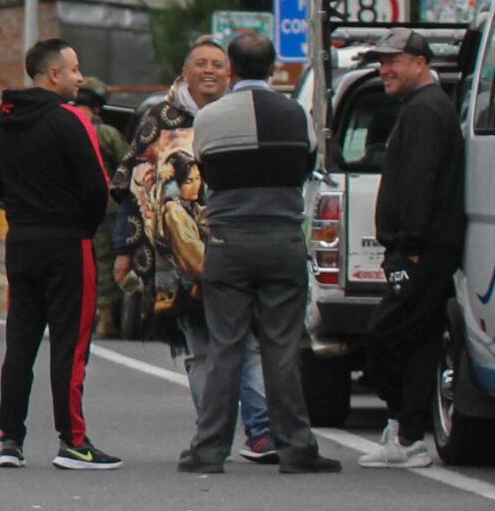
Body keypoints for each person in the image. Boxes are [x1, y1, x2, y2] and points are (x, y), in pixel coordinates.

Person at [180, 35, 340, 474]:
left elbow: (204, 169)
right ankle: (297, 449)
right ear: (272, 68)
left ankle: (208, 451)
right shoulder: (296, 114)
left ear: (230, 67)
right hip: (282, 238)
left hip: (229, 240)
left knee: (225, 347)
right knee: (282, 348)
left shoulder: (210, 117)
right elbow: (306, 166)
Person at [113, 37, 276, 462]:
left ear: (231, 74)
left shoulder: (243, 115)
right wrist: (124, 248)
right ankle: (211, 435)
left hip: (239, 244)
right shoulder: (159, 120)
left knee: (250, 340)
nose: (210, 71)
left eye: (218, 65)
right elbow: (132, 188)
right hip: (177, 255)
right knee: (200, 345)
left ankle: (261, 431)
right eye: (200, 63)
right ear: (184, 73)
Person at [0, 38, 120, 471]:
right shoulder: (71, 121)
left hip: (20, 242)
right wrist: (81, 225)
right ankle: (74, 442)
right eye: (75, 69)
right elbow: (97, 188)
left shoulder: (0, 123)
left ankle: (10, 440)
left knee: (20, 343)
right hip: (68, 244)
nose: (80, 78)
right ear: (54, 75)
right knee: (70, 344)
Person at [357, 28, 462, 469]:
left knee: (382, 337)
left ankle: (402, 422)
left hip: (421, 250)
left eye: (394, 60)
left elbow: (420, 180)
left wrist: (410, 246)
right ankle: (409, 435)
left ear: (421, 63)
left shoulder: (426, 111)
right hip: (425, 248)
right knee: (419, 343)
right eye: (381, 62)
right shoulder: (423, 107)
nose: (385, 70)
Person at [74, 78, 129, 338]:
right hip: (105, 210)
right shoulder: (107, 133)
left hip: (69, 210)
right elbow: (128, 167)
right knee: (104, 263)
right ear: (98, 106)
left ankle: (69, 321)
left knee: (72, 265)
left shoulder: (64, 128)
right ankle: (107, 320)